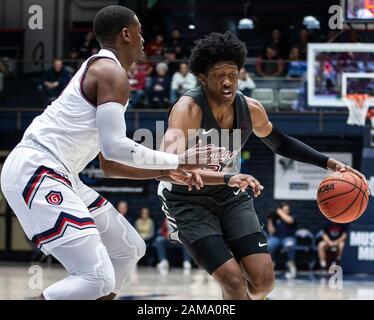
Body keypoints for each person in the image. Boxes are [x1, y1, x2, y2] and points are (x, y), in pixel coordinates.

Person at [0, 5, 218, 300]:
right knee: (95, 277)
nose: (144, 39)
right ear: (126, 34)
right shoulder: (109, 71)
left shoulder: (107, 72)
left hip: (61, 173)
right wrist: (180, 159)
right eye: (140, 32)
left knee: (129, 248)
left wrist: (167, 171)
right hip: (38, 167)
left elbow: (110, 164)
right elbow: (116, 147)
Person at [154, 31, 365, 300]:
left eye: (233, 73)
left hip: (229, 197)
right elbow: (166, 165)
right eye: (219, 75)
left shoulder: (250, 109)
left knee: (263, 282)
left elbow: (282, 143)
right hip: (187, 202)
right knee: (232, 281)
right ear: (203, 77)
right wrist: (228, 178)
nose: (228, 81)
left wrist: (330, 164)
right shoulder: (188, 109)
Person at [267, 202, 297, 278]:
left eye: (287, 209)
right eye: (285, 209)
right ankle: (270, 264)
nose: (286, 211)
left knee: (290, 245)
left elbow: (289, 220)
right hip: (276, 238)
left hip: (288, 237)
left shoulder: (292, 216)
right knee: (269, 244)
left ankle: (290, 263)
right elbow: (271, 231)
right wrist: (270, 219)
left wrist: (280, 212)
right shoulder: (276, 218)